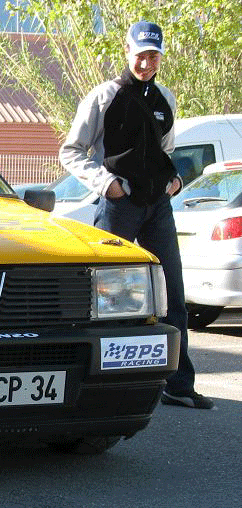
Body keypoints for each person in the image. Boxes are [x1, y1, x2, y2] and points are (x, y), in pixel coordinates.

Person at [59, 21, 213, 409]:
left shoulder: (166, 99)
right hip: (118, 206)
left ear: (161, 56)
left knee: (173, 294)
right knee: (106, 297)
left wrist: (174, 183)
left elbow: (166, 153)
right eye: (140, 55)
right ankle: (98, 386)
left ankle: (178, 385)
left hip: (157, 207)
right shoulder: (103, 96)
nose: (146, 63)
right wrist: (107, 184)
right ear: (127, 52)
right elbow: (71, 151)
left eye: (153, 56)